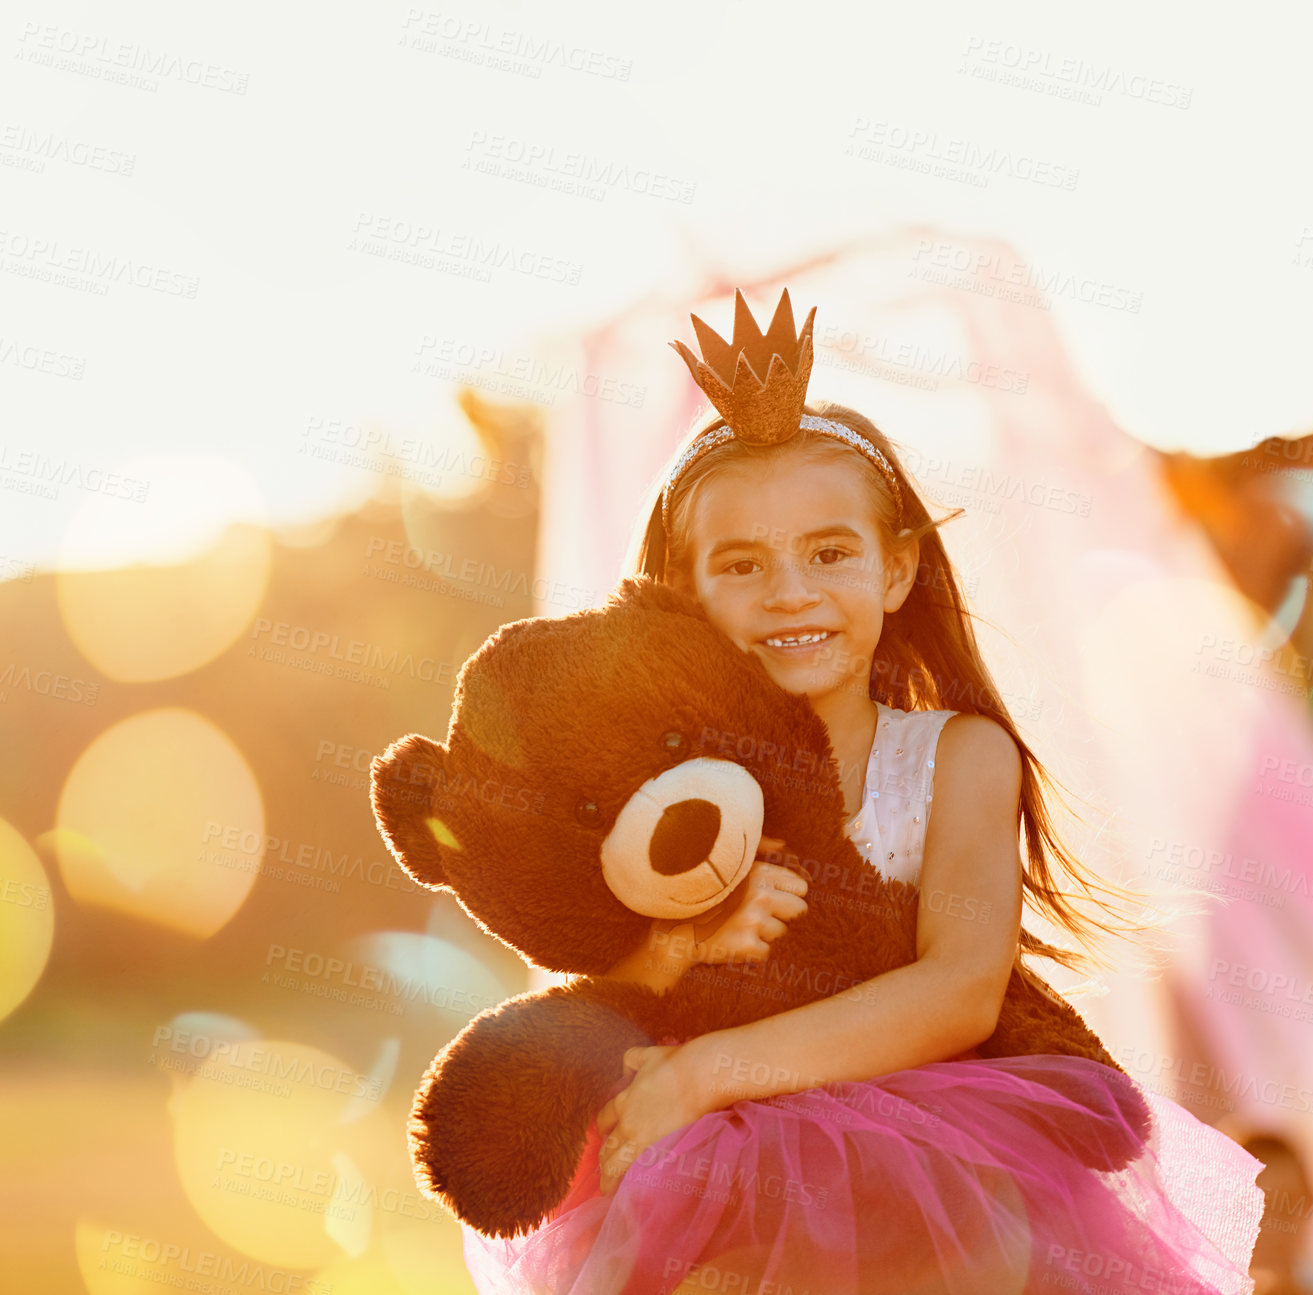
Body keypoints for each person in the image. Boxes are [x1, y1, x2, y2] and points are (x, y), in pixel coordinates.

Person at [460, 291, 1265, 1294]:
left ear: (896, 567)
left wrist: (712, 1069)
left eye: (829, 552)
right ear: (683, 589)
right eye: (741, 564)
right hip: (706, 1157)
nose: (790, 590)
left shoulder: (958, 757)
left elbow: (959, 989)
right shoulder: (668, 787)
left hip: (925, 1143)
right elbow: (601, 955)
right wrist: (688, 947)